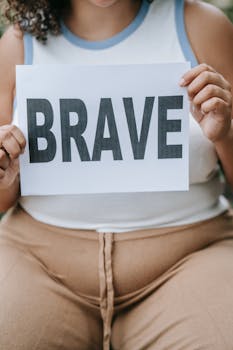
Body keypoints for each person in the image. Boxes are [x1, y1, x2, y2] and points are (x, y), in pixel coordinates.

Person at [0, 0, 233, 349]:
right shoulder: (19, 41)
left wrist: (225, 133)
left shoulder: (202, 25)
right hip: (38, 261)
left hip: (189, 255)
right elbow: (4, 194)